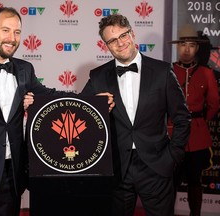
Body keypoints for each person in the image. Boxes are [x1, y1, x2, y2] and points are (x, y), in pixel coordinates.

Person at [0, 6, 114, 216]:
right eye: (5, 30)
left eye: (17, 32)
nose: (12, 38)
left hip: (11, 178)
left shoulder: (24, 69)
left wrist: (91, 101)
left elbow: (50, 95)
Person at [80, 14, 191, 216]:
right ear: (106, 45)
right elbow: (80, 114)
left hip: (157, 165)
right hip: (116, 169)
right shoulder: (97, 77)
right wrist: (97, 107)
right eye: (112, 40)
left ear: (132, 33)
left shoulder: (162, 71)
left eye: (123, 35)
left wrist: (173, 156)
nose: (120, 43)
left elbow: (182, 118)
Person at [168, 24, 219, 216]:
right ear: (177, 47)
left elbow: (214, 104)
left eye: (191, 45)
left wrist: (199, 121)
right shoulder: (169, 71)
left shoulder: (206, 73)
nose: (186, 49)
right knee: (170, 181)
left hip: (197, 138)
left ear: (197, 48)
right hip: (171, 135)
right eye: (183, 44)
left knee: (195, 181)